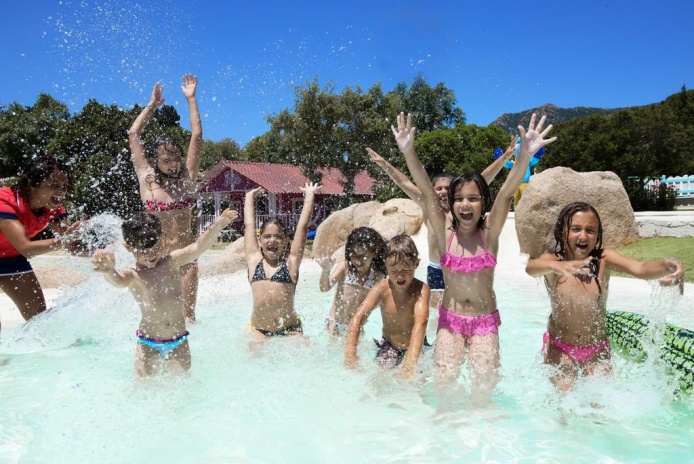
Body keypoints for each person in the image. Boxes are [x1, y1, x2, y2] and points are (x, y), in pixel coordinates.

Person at [393, 111, 556, 396]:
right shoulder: (444, 232)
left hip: (485, 322)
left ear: (484, 202)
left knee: (484, 389)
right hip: (450, 322)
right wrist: (409, 152)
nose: (465, 204)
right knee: (443, 386)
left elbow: (507, 192)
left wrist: (524, 156)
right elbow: (427, 192)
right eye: (458, 199)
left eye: (473, 198)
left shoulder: (490, 232)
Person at [525, 202, 684, 390]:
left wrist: (667, 266)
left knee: (599, 401)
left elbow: (640, 268)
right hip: (560, 347)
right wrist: (557, 266)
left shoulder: (602, 260)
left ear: (597, 235)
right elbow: (531, 268)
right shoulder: (553, 262)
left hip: (596, 348)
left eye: (590, 230)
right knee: (565, 397)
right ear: (562, 232)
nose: (583, 236)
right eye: (575, 229)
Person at [366, 136, 516, 313]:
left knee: (467, 309)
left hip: (460, 267)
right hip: (437, 268)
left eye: (447, 188)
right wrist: (384, 164)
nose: (443, 191)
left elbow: (482, 179)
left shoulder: (461, 212)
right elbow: (405, 182)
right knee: (437, 314)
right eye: (438, 188)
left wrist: (505, 157)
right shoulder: (429, 207)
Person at [91, 208, 238, 376]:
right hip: (148, 343)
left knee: (183, 383)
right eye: (143, 251)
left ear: (162, 239)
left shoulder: (172, 262)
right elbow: (118, 281)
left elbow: (197, 247)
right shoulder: (133, 274)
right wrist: (109, 271)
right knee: (144, 386)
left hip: (178, 340)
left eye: (155, 248)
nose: (150, 255)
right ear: (128, 247)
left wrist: (218, 225)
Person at [128, 74, 202, 322]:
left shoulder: (187, 177)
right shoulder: (146, 178)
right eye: (166, 160)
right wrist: (151, 106)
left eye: (176, 158)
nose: (173, 164)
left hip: (186, 257)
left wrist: (191, 99)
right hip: (154, 259)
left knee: (187, 316)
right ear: (155, 160)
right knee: (156, 317)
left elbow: (196, 135)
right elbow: (133, 134)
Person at [0, 156, 81, 329]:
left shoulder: (53, 208)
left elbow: (68, 241)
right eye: (54, 185)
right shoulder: (4, 201)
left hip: (11, 259)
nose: (61, 191)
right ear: (32, 184)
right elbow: (26, 248)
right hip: (19, 252)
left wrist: (101, 250)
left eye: (64, 186)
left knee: (39, 321)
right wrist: (64, 240)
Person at [343, 234, 430, 378]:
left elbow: (420, 324)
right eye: (394, 271)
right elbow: (358, 318)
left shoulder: (421, 289)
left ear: (416, 263)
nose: (400, 276)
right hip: (390, 347)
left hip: (417, 346)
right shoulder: (381, 289)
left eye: (406, 270)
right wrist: (350, 354)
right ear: (385, 265)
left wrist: (410, 363)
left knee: (418, 381)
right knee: (378, 380)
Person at [244, 183, 321, 339]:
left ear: (286, 241)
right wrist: (249, 197)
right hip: (259, 330)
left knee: (303, 348)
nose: (272, 240)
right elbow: (248, 224)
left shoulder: (291, 262)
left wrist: (310, 194)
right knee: (254, 352)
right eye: (267, 236)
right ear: (260, 241)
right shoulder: (254, 260)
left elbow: (303, 226)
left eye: (278, 237)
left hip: (290, 329)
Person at [319, 227, 387, 335]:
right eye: (353, 256)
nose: (358, 261)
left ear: (374, 252)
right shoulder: (346, 268)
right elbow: (324, 288)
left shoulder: (377, 276)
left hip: (357, 329)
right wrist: (326, 270)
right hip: (335, 325)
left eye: (363, 256)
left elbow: (381, 302)